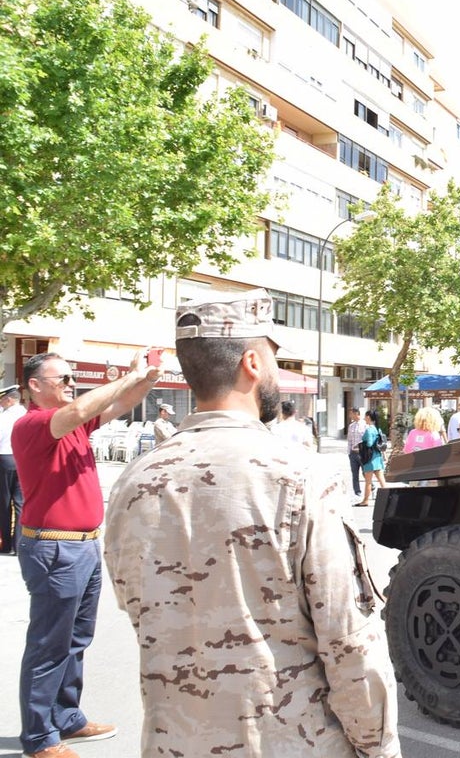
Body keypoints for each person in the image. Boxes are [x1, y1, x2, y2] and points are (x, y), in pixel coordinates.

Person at [104, 289, 402, 758]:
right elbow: (349, 645)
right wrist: (378, 748)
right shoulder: (300, 477)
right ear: (252, 363)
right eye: (274, 358)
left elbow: (140, 609)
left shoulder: (133, 481)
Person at [13, 348, 161, 757]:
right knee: (49, 644)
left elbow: (120, 403)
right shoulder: (35, 424)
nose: (70, 384)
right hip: (53, 547)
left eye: (71, 379)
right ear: (35, 386)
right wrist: (126, 378)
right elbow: (81, 409)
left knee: (75, 639)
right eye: (61, 379)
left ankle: (67, 717)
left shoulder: (70, 424)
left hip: (81, 545)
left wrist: (144, 377)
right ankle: (40, 736)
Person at [1, 383, 27, 554]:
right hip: (22, 461)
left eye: (2, 399)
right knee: (20, 503)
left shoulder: (3, 417)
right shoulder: (25, 414)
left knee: (3, 503)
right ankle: (18, 545)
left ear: (9, 400)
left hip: (3, 459)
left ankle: (6, 544)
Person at [357, 409, 385, 507]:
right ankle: (388, 497)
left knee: (368, 481)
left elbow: (369, 443)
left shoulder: (369, 429)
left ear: (368, 417)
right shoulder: (378, 429)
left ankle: (365, 500)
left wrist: (360, 445)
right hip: (377, 457)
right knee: (381, 480)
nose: (364, 418)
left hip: (370, 458)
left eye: (365, 416)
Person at [346, 406, 366, 501]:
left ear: (356, 414)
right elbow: (349, 440)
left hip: (362, 453)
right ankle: (357, 492)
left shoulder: (365, 425)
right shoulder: (351, 426)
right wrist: (349, 452)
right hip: (353, 453)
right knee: (354, 474)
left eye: (351, 413)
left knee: (365, 472)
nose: (350, 415)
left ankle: (372, 486)